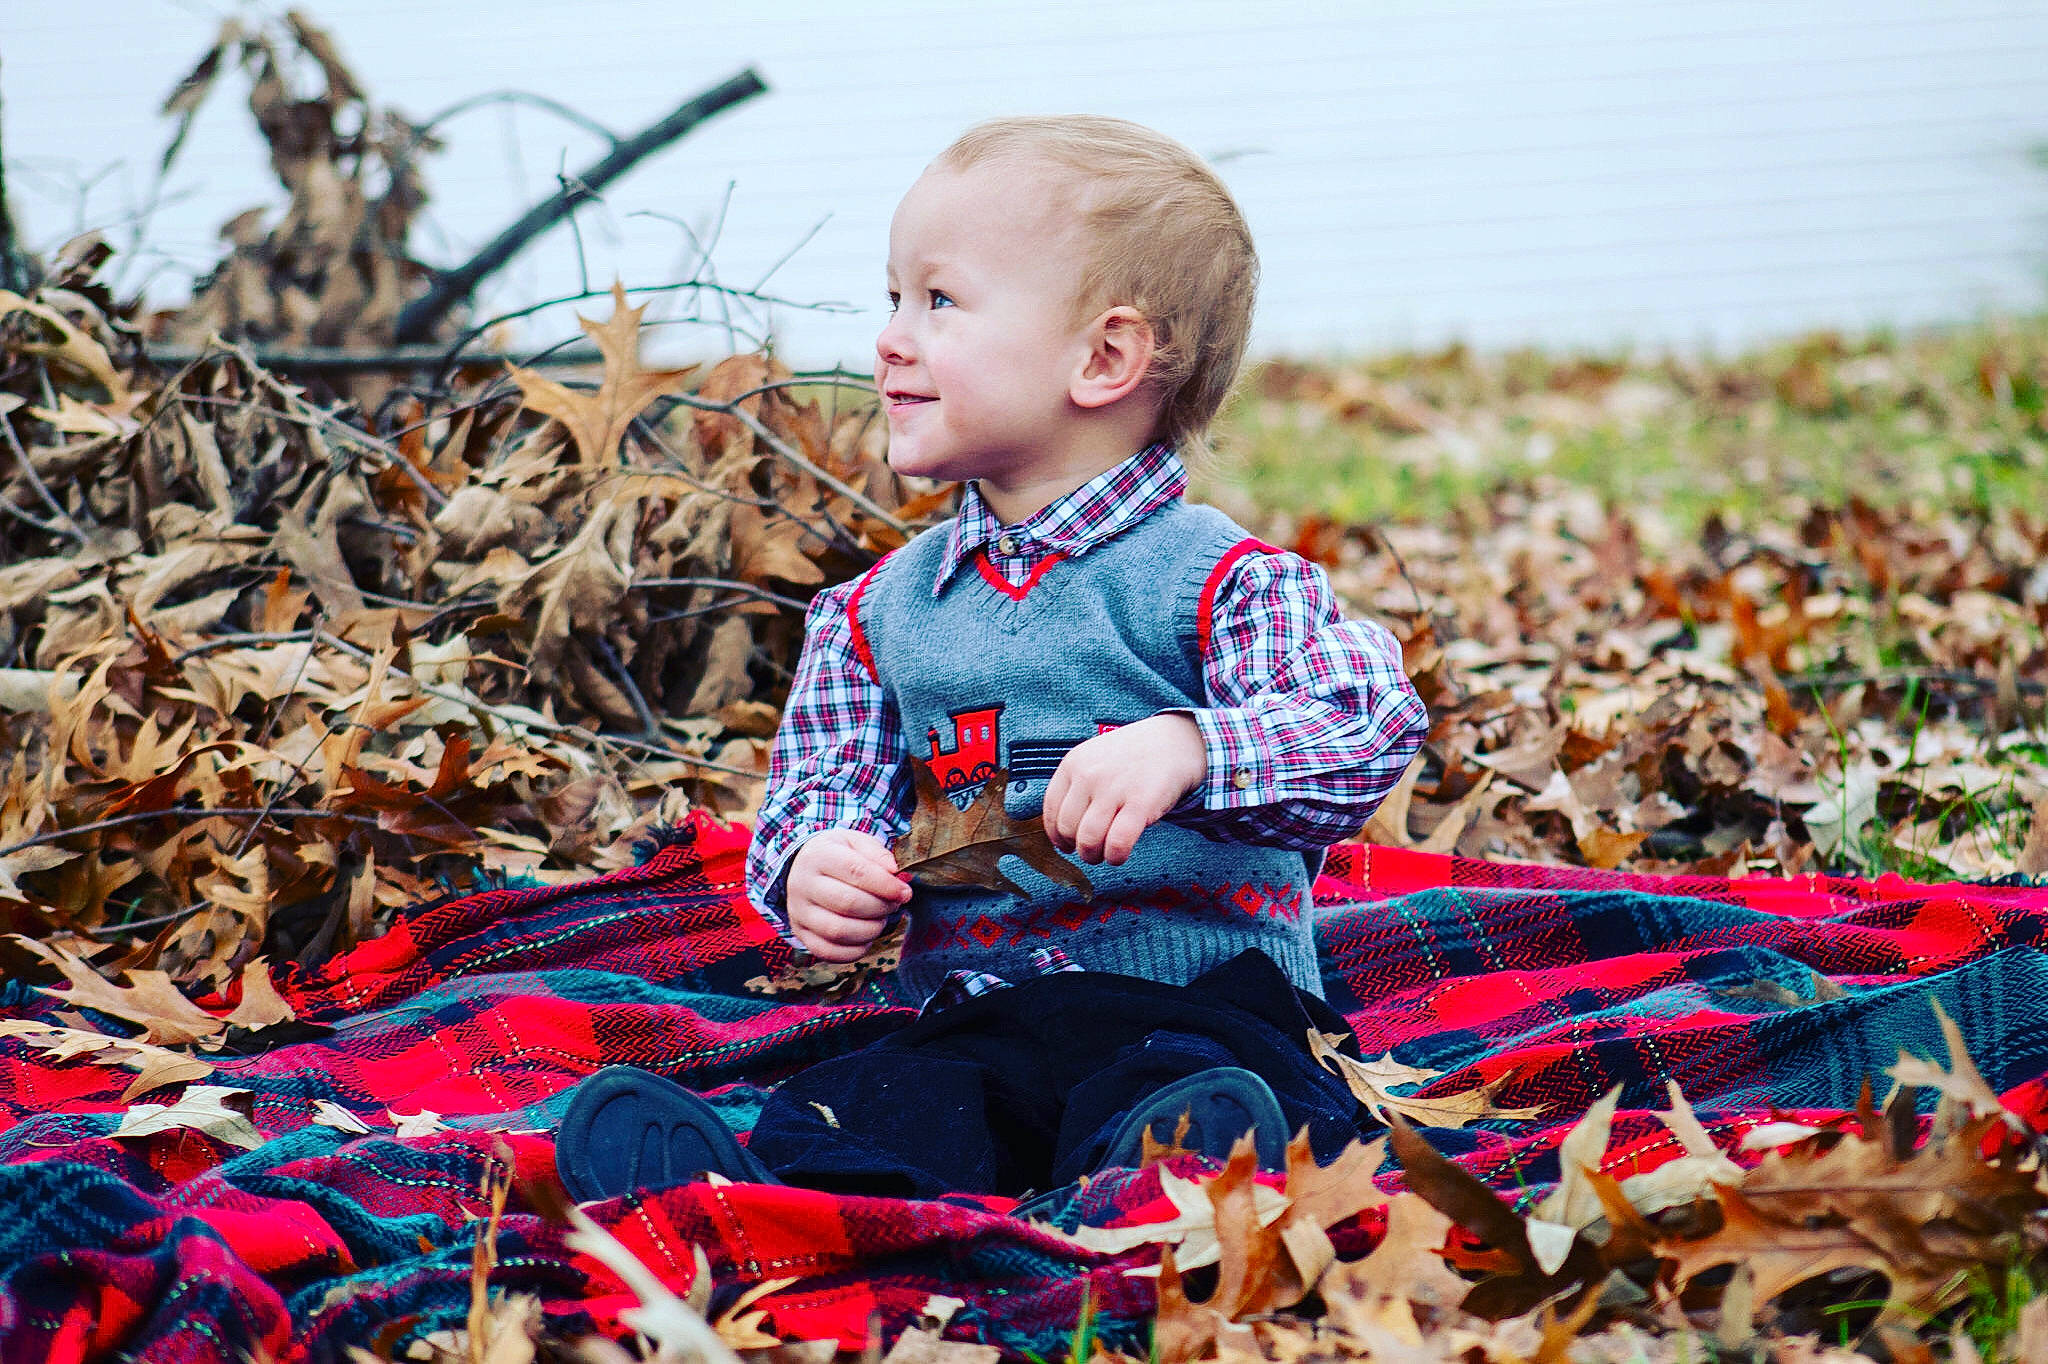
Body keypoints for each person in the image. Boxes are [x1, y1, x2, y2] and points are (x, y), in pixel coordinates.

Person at [554, 115, 1428, 1208]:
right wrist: (813, 866)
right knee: (886, 1097)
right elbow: (820, 789)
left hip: (1209, 1004)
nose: (889, 337)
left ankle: (1170, 1175)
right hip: (977, 1013)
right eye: (891, 298)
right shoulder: (874, 614)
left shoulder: (1221, 582)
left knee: (1224, 1088)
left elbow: (1366, 720)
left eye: (940, 300)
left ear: (1103, 357)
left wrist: (1193, 745)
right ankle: (761, 1197)